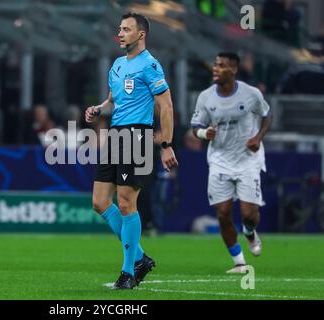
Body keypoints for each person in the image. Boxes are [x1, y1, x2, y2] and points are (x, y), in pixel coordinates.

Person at [85, 12, 178, 289]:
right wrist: (99, 109)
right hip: (115, 135)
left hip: (137, 135)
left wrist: (166, 145)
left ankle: (128, 273)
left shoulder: (150, 65)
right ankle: (139, 258)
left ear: (141, 34)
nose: (120, 33)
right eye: (119, 29)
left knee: (126, 203)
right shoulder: (116, 65)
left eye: (126, 29)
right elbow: (114, 100)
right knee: (100, 202)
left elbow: (167, 106)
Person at [190, 52, 273, 273]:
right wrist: (203, 134)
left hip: (248, 160)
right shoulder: (206, 97)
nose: (216, 69)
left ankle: (249, 231)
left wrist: (258, 137)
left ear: (234, 70)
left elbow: (267, 114)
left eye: (222, 66)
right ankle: (239, 262)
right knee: (223, 213)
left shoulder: (250, 94)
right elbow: (195, 125)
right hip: (219, 161)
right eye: (215, 65)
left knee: (249, 215)